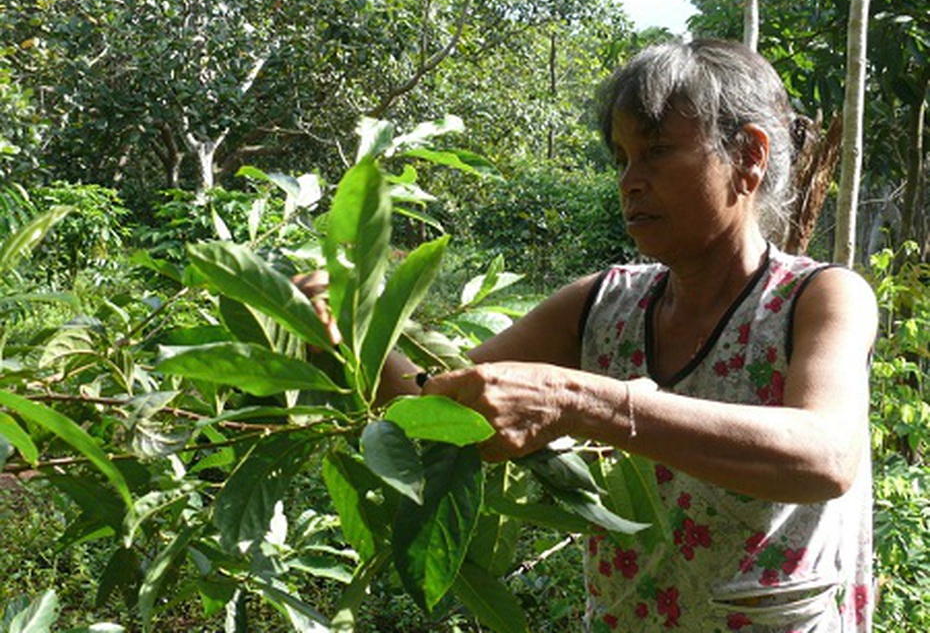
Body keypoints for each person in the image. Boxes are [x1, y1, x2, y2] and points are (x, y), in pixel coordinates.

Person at [302, 39, 877, 631]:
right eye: (623, 158)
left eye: (656, 152)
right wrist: (339, 334)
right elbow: (440, 405)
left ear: (749, 157)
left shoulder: (818, 298)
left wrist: (578, 402)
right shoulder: (603, 304)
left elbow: (825, 456)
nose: (630, 181)